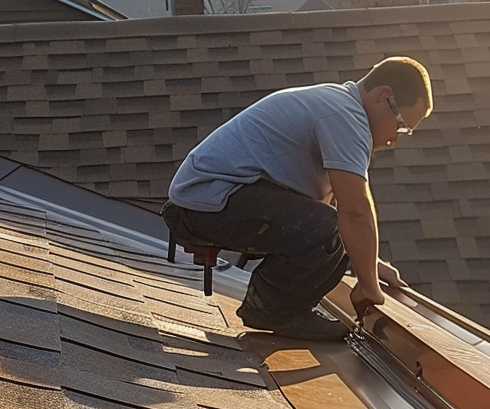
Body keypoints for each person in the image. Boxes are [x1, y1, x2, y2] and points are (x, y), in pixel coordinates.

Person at [162, 57, 432, 341]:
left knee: (332, 232)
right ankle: (273, 310)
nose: (394, 139)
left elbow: (333, 212)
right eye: (401, 125)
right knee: (328, 229)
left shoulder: (336, 105)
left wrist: (369, 262)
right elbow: (355, 213)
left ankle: (277, 307)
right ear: (383, 96)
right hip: (207, 202)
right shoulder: (345, 116)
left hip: (207, 200)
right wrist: (369, 288)